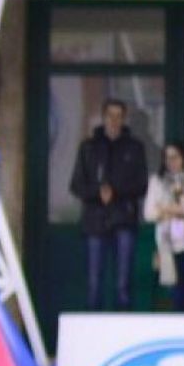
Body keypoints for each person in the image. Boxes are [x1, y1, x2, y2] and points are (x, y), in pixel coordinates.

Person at [70, 98, 148, 311]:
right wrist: (98, 192)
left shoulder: (135, 148)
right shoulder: (88, 147)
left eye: (118, 116)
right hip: (95, 221)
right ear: (103, 117)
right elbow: (76, 185)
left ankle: (123, 325)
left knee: (123, 283)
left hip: (124, 219)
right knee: (94, 283)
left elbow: (142, 185)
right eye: (110, 115)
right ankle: (92, 326)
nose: (114, 120)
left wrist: (116, 192)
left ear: (124, 119)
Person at [143, 141, 184, 313]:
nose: (171, 161)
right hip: (167, 243)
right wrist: (175, 211)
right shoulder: (156, 181)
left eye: (175, 157)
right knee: (175, 289)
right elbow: (149, 213)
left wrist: (165, 209)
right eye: (167, 157)